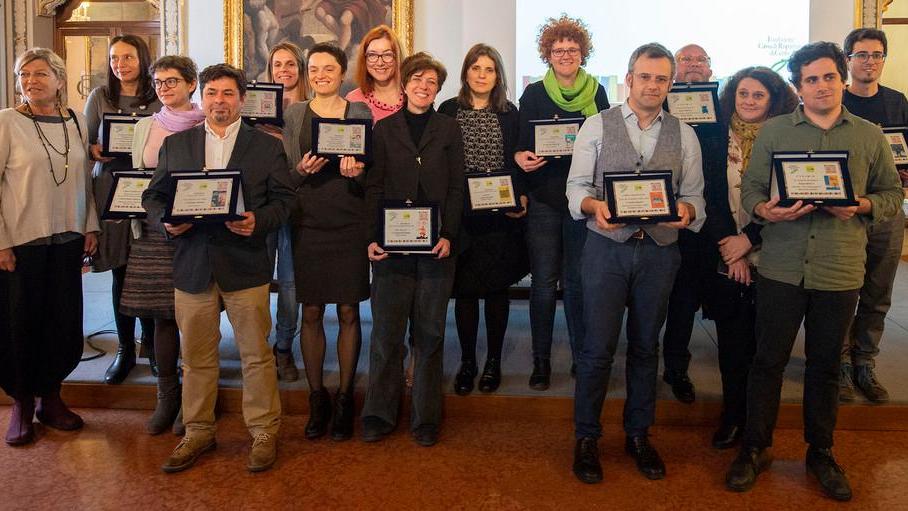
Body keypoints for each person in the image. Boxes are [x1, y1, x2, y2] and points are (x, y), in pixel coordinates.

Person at [725, 42, 902, 502]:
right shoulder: (776, 132)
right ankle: (755, 447)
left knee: (824, 367)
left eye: (828, 77)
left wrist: (861, 205)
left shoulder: (868, 135)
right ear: (798, 86)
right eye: (810, 79)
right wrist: (765, 210)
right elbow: (751, 193)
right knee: (767, 362)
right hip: (781, 266)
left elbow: (890, 197)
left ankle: (821, 451)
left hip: (839, 270)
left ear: (841, 78)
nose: (820, 86)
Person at [143, 64, 296, 473]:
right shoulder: (177, 144)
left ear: (241, 98)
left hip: (244, 264)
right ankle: (198, 431)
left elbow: (285, 201)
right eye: (212, 93)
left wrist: (257, 221)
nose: (219, 101)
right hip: (192, 264)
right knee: (195, 357)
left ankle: (264, 431)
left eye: (228, 93)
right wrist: (166, 221)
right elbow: (153, 197)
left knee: (256, 355)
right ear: (202, 97)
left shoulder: (266, 146)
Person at [567, 43, 705, 484]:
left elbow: (694, 195)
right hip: (606, 248)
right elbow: (576, 187)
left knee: (647, 347)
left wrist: (686, 212)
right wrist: (593, 206)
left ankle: (638, 434)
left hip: (660, 252)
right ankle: (587, 437)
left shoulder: (684, 133)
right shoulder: (596, 125)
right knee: (596, 348)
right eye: (644, 76)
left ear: (670, 84)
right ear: (629, 78)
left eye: (661, 79)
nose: (652, 85)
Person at [362, 52, 464, 447]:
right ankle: (378, 413)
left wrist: (449, 235)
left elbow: (457, 188)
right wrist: (372, 237)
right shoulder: (384, 129)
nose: (424, 86)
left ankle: (426, 417)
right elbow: (374, 186)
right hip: (391, 249)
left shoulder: (449, 128)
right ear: (404, 84)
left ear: (439, 89)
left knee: (430, 334)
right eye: (417, 79)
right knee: (386, 334)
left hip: (437, 247)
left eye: (432, 82)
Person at [0, 48, 99, 446]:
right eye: (25, 75)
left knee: (62, 320)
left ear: (60, 79)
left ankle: (52, 398)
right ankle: (21, 404)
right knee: (20, 323)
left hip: (68, 239)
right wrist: (1, 242)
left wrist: (89, 225)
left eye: (40, 74)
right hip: (21, 241)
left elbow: (84, 179)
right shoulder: (7, 122)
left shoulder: (74, 121)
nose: (31, 81)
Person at [701, 67, 798, 449]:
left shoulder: (788, 136)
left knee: (766, 349)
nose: (750, 101)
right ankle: (732, 416)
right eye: (743, 94)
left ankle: (758, 427)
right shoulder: (714, 135)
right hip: (728, 253)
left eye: (759, 95)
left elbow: (789, 197)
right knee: (732, 342)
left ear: (773, 99)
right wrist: (731, 246)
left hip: (775, 251)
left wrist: (749, 240)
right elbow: (708, 193)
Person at [281, 43, 372, 441]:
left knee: (350, 311)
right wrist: (300, 170)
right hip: (309, 222)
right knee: (312, 311)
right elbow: (285, 176)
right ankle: (316, 397)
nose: (321, 75)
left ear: (342, 72)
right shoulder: (295, 113)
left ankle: (346, 397)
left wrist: (359, 172)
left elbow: (373, 173)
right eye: (314, 69)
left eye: (328, 69)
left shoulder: (360, 112)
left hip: (349, 219)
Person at [514, 15, 610, 391]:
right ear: (548, 54)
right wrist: (522, 158)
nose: (565, 55)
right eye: (558, 50)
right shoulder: (534, 93)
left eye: (572, 49)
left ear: (582, 53)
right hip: (544, 198)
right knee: (542, 282)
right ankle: (540, 361)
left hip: (582, 200)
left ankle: (581, 356)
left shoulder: (598, 93)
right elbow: (521, 144)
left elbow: (606, 144)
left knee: (577, 282)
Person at [121, 55, 206, 435]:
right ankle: (167, 397)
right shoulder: (144, 127)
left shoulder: (208, 121)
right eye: (158, 82)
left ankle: (199, 399)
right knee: (161, 316)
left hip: (198, 230)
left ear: (191, 84)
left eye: (172, 81)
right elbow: (135, 176)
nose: (164, 88)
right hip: (155, 231)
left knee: (198, 318)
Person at [438, 44, 529, 395]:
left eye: (489, 69)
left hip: (500, 217)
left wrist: (520, 195)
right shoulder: (449, 110)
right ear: (465, 73)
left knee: (495, 291)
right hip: (461, 216)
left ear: (498, 76)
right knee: (464, 293)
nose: (481, 75)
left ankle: (492, 361)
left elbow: (518, 159)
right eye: (476, 68)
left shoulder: (510, 113)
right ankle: (467, 361)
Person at [84, 35, 162, 385]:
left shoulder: (157, 93)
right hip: (111, 189)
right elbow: (86, 143)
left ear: (142, 59)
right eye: (115, 58)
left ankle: (154, 345)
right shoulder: (100, 96)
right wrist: (94, 149)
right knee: (121, 270)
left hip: (148, 190)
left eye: (128, 57)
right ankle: (125, 349)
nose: (120, 64)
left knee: (148, 268)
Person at [839, 28, 908, 403]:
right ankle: (840, 363)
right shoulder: (837, 102)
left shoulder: (898, 102)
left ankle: (866, 360)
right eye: (861, 55)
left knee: (878, 290)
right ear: (848, 60)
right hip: (843, 213)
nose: (870, 62)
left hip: (886, 210)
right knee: (842, 290)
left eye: (876, 54)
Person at [659, 43, 721, 404]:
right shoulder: (657, 106)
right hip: (658, 215)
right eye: (686, 59)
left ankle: (677, 366)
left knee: (685, 298)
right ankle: (642, 359)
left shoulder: (723, 106)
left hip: (702, 217)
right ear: (674, 71)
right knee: (651, 299)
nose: (694, 65)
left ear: (711, 69)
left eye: (701, 59)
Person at [264, 42, 310, 382]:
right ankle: (258, 345)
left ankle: (284, 347)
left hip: (299, 203)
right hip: (263, 204)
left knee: (292, 282)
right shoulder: (254, 106)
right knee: (258, 279)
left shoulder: (312, 107)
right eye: (277, 64)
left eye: (291, 64)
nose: (284, 70)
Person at [346, 25, 405, 123]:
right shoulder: (353, 100)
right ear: (364, 59)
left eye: (387, 55)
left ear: (397, 58)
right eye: (372, 55)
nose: (380, 63)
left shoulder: (413, 97)